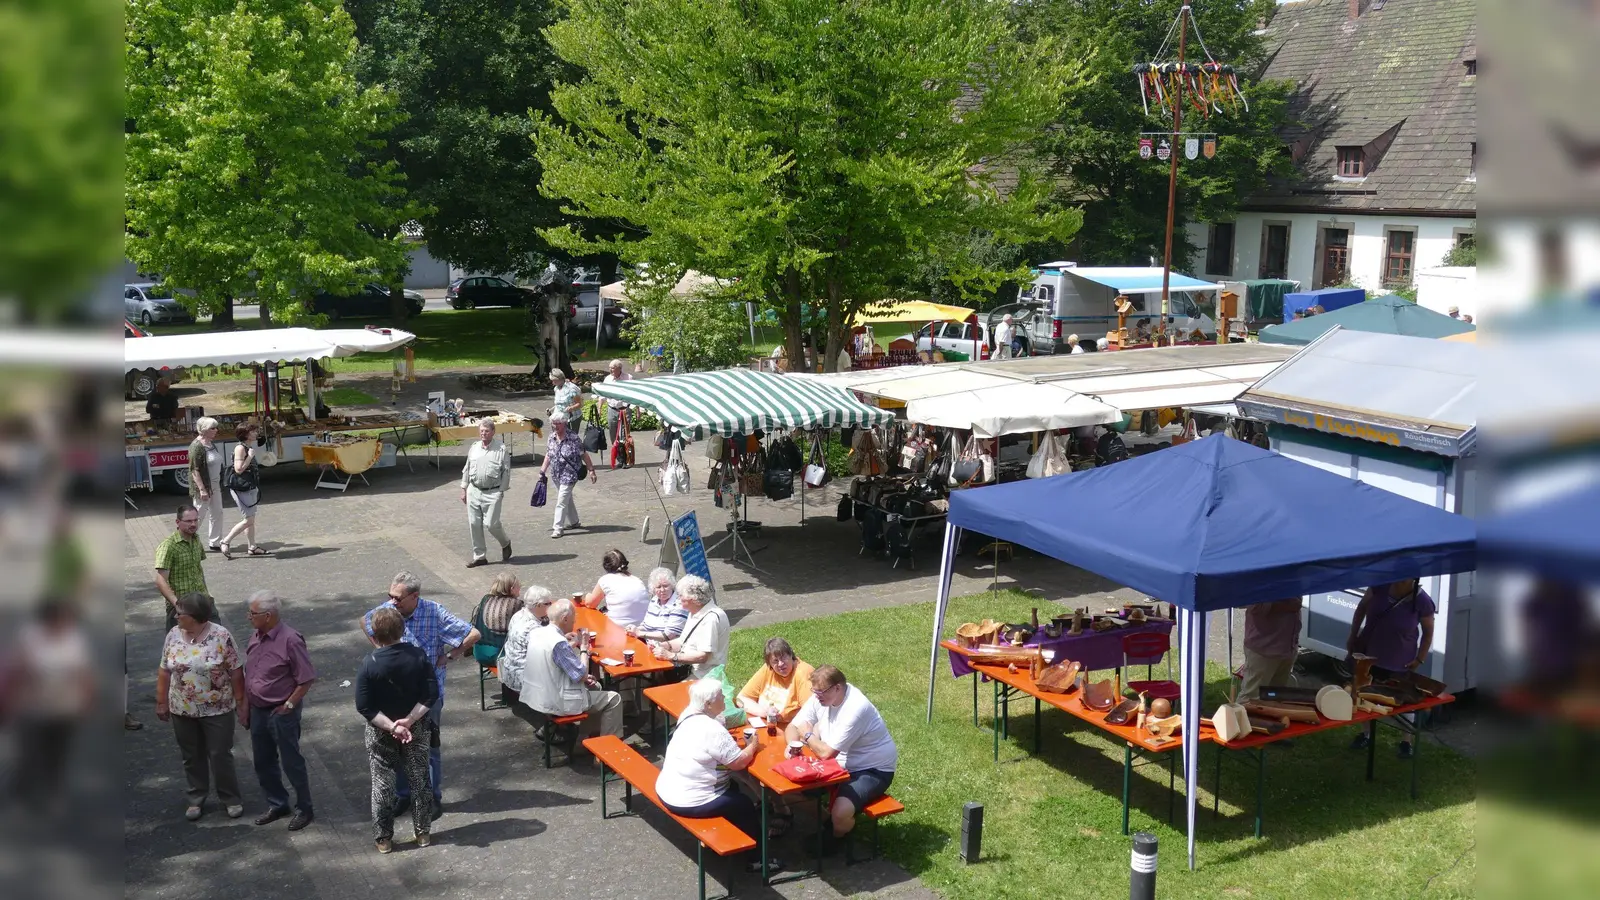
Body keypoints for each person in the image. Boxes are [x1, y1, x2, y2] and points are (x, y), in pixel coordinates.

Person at [360, 571, 479, 820]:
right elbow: (365, 621)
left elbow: (473, 634)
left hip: (427, 696)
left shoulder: (434, 612)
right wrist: (379, 649)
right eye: (389, 596)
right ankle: (404, 795)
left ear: (415, 597)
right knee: (400, 745)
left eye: (398, 598)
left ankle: (432, 797)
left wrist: (449, 656)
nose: (392, 602)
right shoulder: (388, 610)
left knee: (429, 749)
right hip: (396, 695)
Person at [656, 678, 783, 874]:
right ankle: (759, 859)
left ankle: (737, 835)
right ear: (708, 704)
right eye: (720, 696)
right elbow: (739, 762)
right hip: (689, 800)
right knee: (743, 804)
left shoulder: (687, 715)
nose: (724, 697)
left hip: (668, 788)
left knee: (732, 788)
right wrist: (753, 746)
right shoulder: (712, 730)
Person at [157, 592, 246, 822]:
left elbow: (236, 670)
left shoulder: (221, 636)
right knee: (191, 755)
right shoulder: (173, 634)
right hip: (182, 708)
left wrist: (241, 701)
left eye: (180, 613)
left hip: (217, 708)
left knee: (219, 754)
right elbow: (164, 669)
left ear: (196, 617)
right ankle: (196, 798)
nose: (176, 616)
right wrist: (161, 701)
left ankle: (230, 798)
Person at [787, 665, 898, 846]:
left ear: (837, 687)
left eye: (820, 692)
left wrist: (808, 735)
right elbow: (794, 726)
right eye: (814, 692)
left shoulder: (856, 708)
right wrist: (792, 748)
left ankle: (839, 838)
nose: (816, 697)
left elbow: (826, 753)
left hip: (871, 769)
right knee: (789, 792)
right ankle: (829, 823)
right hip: (840, 764)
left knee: (841, 812)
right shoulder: (821, 697)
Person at [356, 607, 438, 853]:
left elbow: (364, 706)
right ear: (402, 631)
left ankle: (383, 839)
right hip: (417, 729)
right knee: (420, 779)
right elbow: (430, 694)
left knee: (382, 785)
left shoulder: (369, 663)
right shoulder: (418, 656)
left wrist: (392, 726)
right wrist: (408, 721)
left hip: (381, 732)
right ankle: (422, 833)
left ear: (375, 635)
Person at [7, 598, 93, 816]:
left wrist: (86, 701)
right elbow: (18, 671)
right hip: (33, 708)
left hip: (63, 709)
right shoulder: (30, 637)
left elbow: (83, 673)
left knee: (57, 755)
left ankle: (53, 795)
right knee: (29, 755)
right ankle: (23, 797)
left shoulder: (74, 639)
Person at [243, 590, 316, 830]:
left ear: (268, 615)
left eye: (252, 613)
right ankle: (277, 803)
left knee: (291, 762)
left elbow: (305, 679)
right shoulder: (255, 636)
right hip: (258, 710)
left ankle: (304, 809)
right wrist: (245, 706)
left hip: (281, 712)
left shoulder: (291, 640)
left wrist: (289, 705)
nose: (248, 617)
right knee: (263, 761)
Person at [1346, 578, 1435, 758]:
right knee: (1364, 695)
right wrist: (1353, 634)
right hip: (1370, 655)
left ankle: (1405, 742)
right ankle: (1366, 734)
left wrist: (1420, 658)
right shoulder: (1379, 586)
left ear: (1415, 578)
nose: (1400, 578)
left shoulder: (1423, 601)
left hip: (1401, 660)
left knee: (1405, 702)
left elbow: (1428, 633)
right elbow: (1361, 609)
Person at [517, 599, 623, 741]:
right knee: (614, 698)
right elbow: (581, 673)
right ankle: (607, 749)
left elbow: (555, 659)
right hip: (556, 701)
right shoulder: (559, 643)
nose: (573, 624)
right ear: (565, 619)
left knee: (595, 686)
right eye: (573, 621)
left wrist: (570, 644)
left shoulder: (537, 633)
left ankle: (584, 739)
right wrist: (584, 647)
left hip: (537, 695)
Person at [649, 575, 728, 679]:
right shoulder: (695, 611)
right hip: (689, 670)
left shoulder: (711, 619)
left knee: (659, 688)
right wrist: (663, 645)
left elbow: (703, 656)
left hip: (704, 677)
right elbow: (682, 642)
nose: (678, 598)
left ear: (693, 599)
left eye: (680, 595)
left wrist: (671, 656)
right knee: (656, 678)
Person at [460, 419, 513, 568]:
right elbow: (467, 468)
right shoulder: (474, 447)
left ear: (493, 432)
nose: (483, 434)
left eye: (487, 431)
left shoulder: (501, 449)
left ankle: (505, 542)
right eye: (481, 431)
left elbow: (506, 471)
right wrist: (464, 488)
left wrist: (501, 491)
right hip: (474, 490)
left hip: (493, 491)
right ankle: (479, 556)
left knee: (491, 524)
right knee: (474, 524)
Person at [539, 414, 597, 539]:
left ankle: (558, 528)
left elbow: (584, 455)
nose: (555, 426)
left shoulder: (573, 438)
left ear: (565, 423)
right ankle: (574, 521)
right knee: (566, 498)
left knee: (561, 501)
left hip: (570, 474)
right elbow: (548, 454)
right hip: (556, 474)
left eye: (558, 423)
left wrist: (591, 470)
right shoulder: (551, 437)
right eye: (553, 423)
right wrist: (542, 470)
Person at [735, 637, 815, 726]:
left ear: (791, 655)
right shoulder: (768, 670)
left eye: (783, 658)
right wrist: (765, 712)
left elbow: (811, 714)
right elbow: (741, 699)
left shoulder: (803, 673)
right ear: (770, 664)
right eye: (775, 661)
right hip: (765, 725)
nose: (780, 664)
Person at [154, 504, 208, 632]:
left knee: (214, 640)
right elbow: (160, 580)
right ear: (178, 522)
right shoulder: (168, 546)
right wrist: (178, 605)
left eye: (196, 520)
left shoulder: (196, 539)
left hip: (202, 602)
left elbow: (198, 569)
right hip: (182, 609)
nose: (193, 524)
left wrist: (207, 595)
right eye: (189, 521)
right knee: (179, 647)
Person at [499, 585, 554, 708]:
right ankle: (558, 720)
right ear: (538, 605)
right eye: (548, 603)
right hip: (521, 679)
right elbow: (548, 653)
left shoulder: (518, 615)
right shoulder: (532, 628)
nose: (551, 605)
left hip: (508, 670)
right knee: (562, 675)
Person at [219, 423, 269, 559]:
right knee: (248, 520)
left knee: (250, 519)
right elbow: (238, 469)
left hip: (250, 487)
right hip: (242, 488)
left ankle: (252, 547)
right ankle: (226, 541)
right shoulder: (241, 448)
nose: (256, 433)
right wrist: (250, 457)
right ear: (246, 434)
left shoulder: (248, 446)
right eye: (253, 431)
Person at [1239, 599, 1302, 701]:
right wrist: (1287, 602)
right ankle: (1238, 717)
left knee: (1275, 696)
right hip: (1264, 648)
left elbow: (1297, 601)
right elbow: (1255, 605)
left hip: (1287, 647)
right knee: (1251, 698)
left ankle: (1265, 715)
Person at [581, 548, 651, 627]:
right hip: (641, 626)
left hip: (618, 629)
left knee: (592, 615)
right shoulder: (637, 580)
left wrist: (587, 596)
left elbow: (590, 604)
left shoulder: (606, 579)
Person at [188, 417, 226, 549]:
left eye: (216, 427)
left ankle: (215, 542)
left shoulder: (210, 443)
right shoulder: (197, 446)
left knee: (217, 513)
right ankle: (187, 541)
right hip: (204, 487)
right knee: (198, 515)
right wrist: (202, 489)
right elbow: (194, 470)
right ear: (204, 430)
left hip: (215, 485)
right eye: (213, 428)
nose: (216, 430)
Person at [627, 567, 688, 642]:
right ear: (653, 589)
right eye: (658, 587)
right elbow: (646, 626)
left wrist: (640, 633)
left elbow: (668, 636)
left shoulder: (679, 604)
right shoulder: (654, 600)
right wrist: (634, 629)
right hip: (650, 644)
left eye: (665, 586)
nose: (662, 590)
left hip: (666, 648)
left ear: (672, 586)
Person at [603, 359, 632, 466]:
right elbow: (603, 394)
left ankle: (625, 459)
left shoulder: (628, 378)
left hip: (625, 409)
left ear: (619, 369)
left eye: (613, 368)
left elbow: (634, 394)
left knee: (624, 435)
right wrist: (599, 407)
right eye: (610, 368)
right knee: (613, 434)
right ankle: (619, 457)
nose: (610, 370)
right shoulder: (608, 379)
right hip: (612, 409)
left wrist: (638, 410)